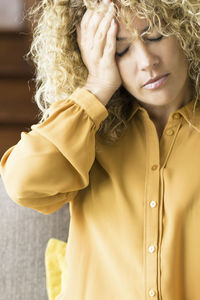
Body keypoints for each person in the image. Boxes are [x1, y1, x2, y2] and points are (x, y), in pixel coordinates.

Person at [1, 0, 200, 299]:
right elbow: (23, 184)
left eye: (154, 35)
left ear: (186, 28)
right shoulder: (85, 134)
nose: (146, 61)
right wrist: (96, 87)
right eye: (120, 50)